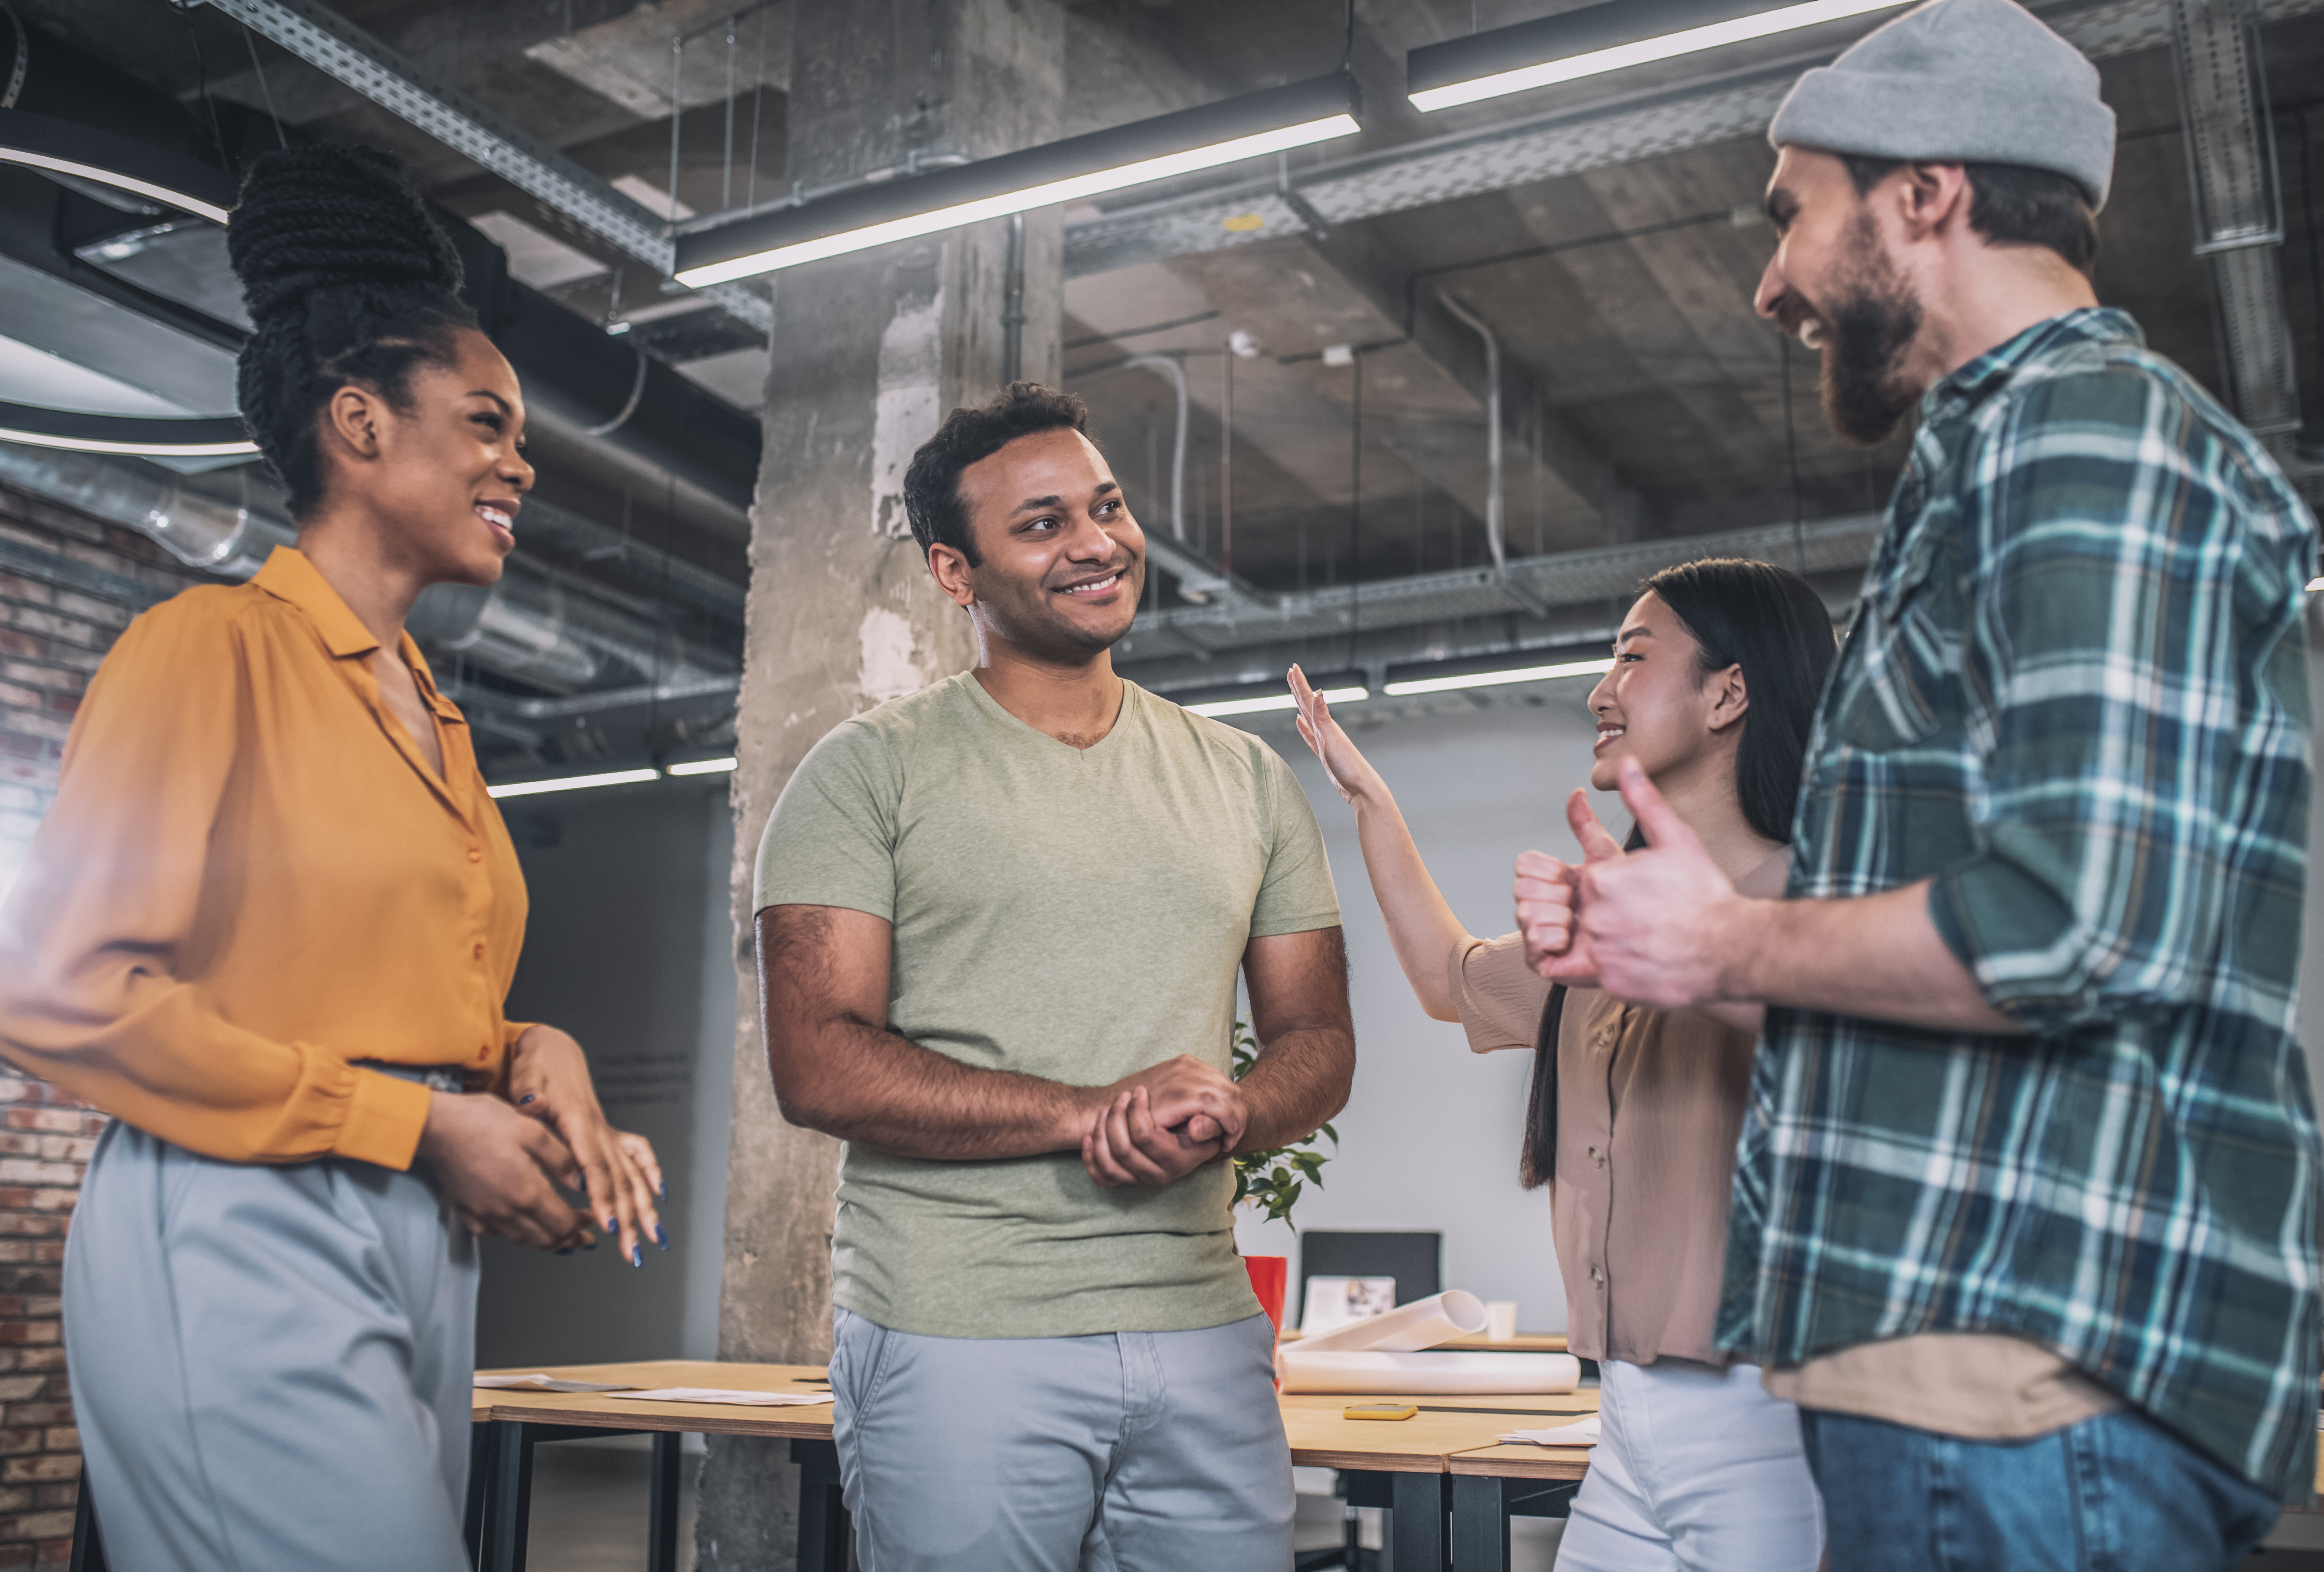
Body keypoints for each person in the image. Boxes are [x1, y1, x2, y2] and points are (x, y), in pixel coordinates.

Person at [1514, 0, 2322, 1564]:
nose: (1772, 285)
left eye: (1792, 214)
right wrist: (1677, 948)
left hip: (2026, 1367)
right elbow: (1973, 977)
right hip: (1966, 1359)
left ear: (1926, 193)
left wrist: (1727, 938)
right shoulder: (1999, 471)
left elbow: (2083, 927)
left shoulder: (2083, 443)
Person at [0, 145, 665, 1572]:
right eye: (486, 423)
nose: (521, 462)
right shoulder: (210, 648)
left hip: (423, 1231)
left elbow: (368, 987)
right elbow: (44, 992)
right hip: (240, 1212)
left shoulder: (440, 717)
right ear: (360, 421)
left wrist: (531, 1057)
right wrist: (420, 1127)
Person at [754, 382, 1354, 1572]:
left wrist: (1241, 1110)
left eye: (1107, 507)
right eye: (1041, 524)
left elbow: (1318, 1039)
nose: (1095, 542)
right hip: (957, 1335)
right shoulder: (862, 776)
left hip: (1204, 1326)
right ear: (955, 572)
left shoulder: (1245, 777)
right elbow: (817, 1063)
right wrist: (1088, 1115)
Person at [1290, 557, 1835, 1572]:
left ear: (1729, 693)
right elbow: (1449, 979)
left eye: (1634, 657)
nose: (1600, 691)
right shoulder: (1607, 920)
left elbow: (1867, 1057)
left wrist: (1714, 954)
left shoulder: (1830, 909)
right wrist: (1372, 803)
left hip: (1769, 1416)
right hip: (1624, 1417)